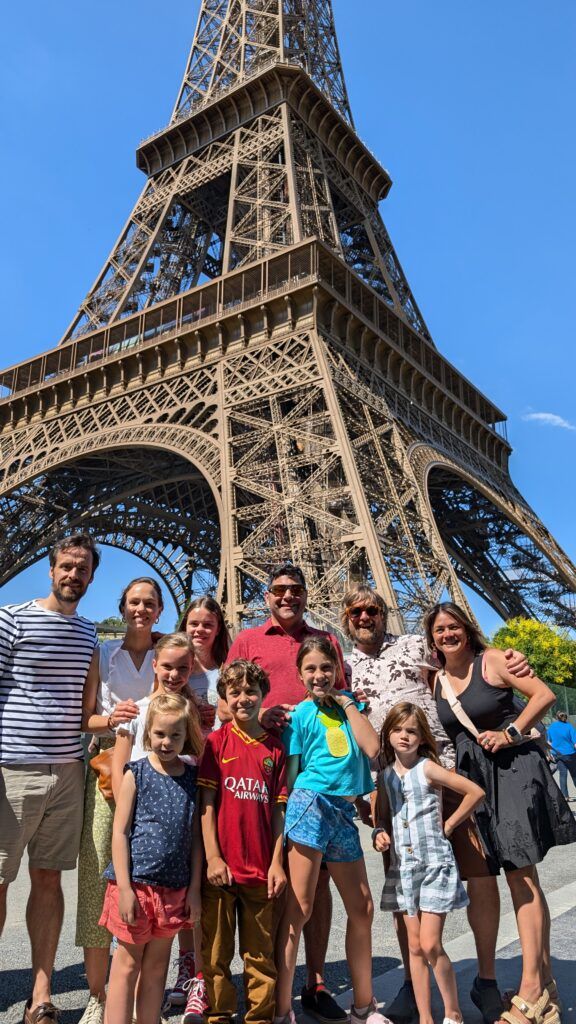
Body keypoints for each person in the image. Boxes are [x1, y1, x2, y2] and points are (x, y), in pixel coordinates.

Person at [343, 585, 530, 1024]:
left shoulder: (413, 643)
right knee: (404, 885)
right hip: (388, 786)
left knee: (479, 874)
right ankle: (415, 980)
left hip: (445, 772)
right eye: (356, 612)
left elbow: (463, 645)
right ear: (346, 617)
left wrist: (509, 657)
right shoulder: (344, 668)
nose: (365, 617)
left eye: (372, 610)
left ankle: (485, 980)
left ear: (382, 613)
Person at [426, 601, 576, 1024]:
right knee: (516, 876)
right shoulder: (436, 679)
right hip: (479, 784)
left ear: (467, 630)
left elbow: (543, 694)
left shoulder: (492, 660)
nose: (447, 634)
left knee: (520, 876)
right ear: (431, 638)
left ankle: (530, 988)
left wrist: (510, 731)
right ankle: (544, 987)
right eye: (439, 630)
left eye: (453, 626)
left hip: (513, 773)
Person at [225, 563, 347, 1024]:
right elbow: (225, 703)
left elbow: (343, 704)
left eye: (296, 589)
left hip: (319, 778)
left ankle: (314, 981)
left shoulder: (327, 641)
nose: (288, 596)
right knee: (269, 876)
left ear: (305, 594)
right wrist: (263, 713)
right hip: (265, 771)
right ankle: (267, 982)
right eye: (279, 590)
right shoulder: (248, 642)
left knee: (318, 882)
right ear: (267, 595)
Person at [0, 532, 100, 1024]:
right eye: (66, 566)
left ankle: (41, 994)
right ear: (51, 569)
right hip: (11, 767)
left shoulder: (88, 634)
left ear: (91, 576)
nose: (73, 575)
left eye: (82, 569)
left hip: (67, 770)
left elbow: (86, 710)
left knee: (48, 879)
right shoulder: (10, 618)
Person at [275, 636, 389, 1024]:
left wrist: (347, 702)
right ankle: (283, 1009)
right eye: (311, 669)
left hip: (341, 811)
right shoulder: (301, 716)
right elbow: (291, 773)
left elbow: (372, 749)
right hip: (309, 805)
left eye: (326, 667)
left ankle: (363, 1006)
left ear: (338, 670)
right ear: (300, 675)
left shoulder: (348, 709)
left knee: (363, 909)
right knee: (299, 908)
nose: (319, 675)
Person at [76, 577, 164, 1024]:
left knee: (152, 884)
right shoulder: (102, 652)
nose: (141, 609)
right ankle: (98, 992)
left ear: (160, 608)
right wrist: (111, 718)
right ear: (123, 606)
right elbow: (86, 717)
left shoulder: (169, 653)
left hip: (160, 778)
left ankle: (145, 990)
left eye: (149, 603)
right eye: (134, 602)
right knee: (97, 877)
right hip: (111, 773)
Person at [374, 703, 484, 1024]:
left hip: (435, 864)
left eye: (411, 730)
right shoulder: (384, 777)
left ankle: (453, 1012)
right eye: (398, 730)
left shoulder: (428, 768)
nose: (404, 736)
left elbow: (474, 792)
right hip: (404, 870)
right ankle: (425, 1017)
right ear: (388, 734)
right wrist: (380, 833)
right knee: (414, 948)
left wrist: (449, 826)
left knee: (430, 943)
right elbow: (381, 818)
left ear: (422, 736)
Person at [100, 692, 203, 1024]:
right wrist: (126, 889)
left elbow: (196, 842)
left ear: (187, 735)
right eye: (160, 734)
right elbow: (120, 832)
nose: (167, 741)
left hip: (174, 890)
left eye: (175, 734)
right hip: (136, 887)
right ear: (148, 734)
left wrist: (195, 889)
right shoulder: (136, 773)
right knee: (126, 966)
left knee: (157, 967)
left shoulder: (191, 779)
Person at [198, 660, 287, 1024]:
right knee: (215, 955)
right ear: (224, 698)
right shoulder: (216, 743)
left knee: (260, 955)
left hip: (260, 870)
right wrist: (213, 858)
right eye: (234, 692)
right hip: (221, 871)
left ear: (264, 696)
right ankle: (219, 1015)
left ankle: (259, 1018)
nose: (243, 698)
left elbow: (280, 813)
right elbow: (206, 806)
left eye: (251, 691)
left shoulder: (276, 751)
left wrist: (277, 862)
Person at [167, 596, 231, 1017]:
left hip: (220, 781)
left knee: (209, 881)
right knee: (181, 880)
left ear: (218, 628)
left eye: (209, 623)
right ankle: (188, 966)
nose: (200, 629)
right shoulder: (173, 668)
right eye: (194, 622)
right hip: (180, 780)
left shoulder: (227, 672)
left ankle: (207, 972)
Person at [110, 633, 200, 802]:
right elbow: (118, 769)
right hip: (143, 813)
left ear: (191, 667)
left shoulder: (193, 712)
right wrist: (124, 817)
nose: (174, 674)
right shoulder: (134, 711)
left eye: (182, 668)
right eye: (167, 666)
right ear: (154, 665)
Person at [546, 710, 576, 801]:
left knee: (563, 775)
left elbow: (548, 741)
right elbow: (575, 743)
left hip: (557, 754)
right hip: (570, 754)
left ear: (556, 717)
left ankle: (565, 796)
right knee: (574, 774)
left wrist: (550, 753)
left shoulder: (551, 727)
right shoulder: (569, 726)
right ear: (565, 717)